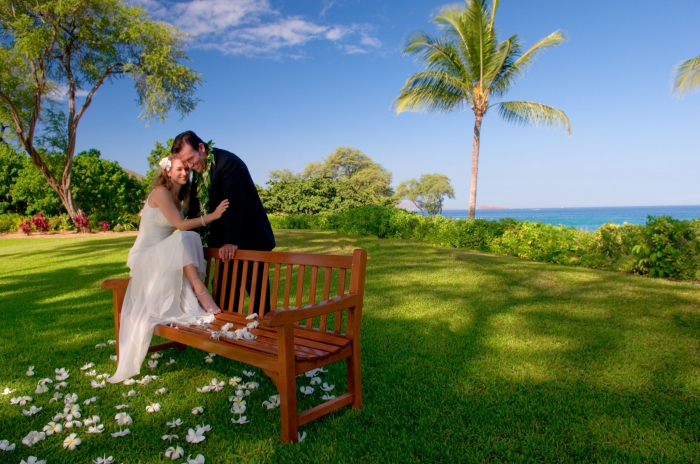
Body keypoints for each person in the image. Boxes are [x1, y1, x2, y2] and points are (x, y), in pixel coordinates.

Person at [108, 155, 229, 384]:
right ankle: (200, 290)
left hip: (160, 253)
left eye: (187, 170)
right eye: (180, 169)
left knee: (187, 238)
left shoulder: (178, 197)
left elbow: (184, 229)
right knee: (184, 235)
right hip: (146, 255)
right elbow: (180, 225)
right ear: (168, 172)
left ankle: (197, 293)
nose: (185, 173)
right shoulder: (160, 193)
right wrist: (212, 216)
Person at [172, 131, 275, 311]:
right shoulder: (200, 167)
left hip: (249, 240)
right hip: (224, 247)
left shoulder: (228, 163)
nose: (189, 165)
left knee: (260, 303)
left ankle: (268, 336)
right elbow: (198, 206)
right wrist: (187, 237)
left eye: (190, 159)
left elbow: (233, 204)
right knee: (224, 299)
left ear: (202, 148)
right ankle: (226, 335)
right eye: (185, 162)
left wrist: (231, 241)